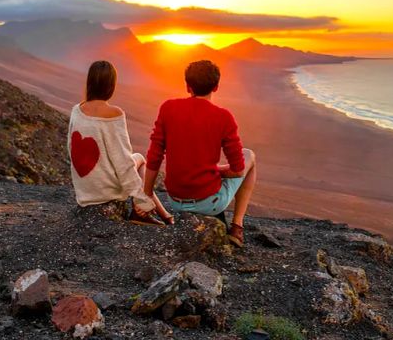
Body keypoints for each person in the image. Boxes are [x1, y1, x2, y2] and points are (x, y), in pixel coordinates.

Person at [143, 60, 257, 247]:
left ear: (188, 86)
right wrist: (216, 171)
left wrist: (147, 192)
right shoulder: (223, 117)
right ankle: (237, 226)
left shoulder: (168, 108)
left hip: (175, 201)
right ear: (216, 86)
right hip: (209, 203)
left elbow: (154, 156)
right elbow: (238, 170)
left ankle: (233, 225)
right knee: (250, 155)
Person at [67, 60, 174, 226]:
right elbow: (123, 162)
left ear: (90, 82)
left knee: (133, 160)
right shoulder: (114, 114)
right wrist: (140, 199)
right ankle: (143, 213)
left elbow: (71, 149)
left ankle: (166, 216)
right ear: (111, 85)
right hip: (106, 192)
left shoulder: (76, 110)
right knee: (138, 158)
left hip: (85, 193)